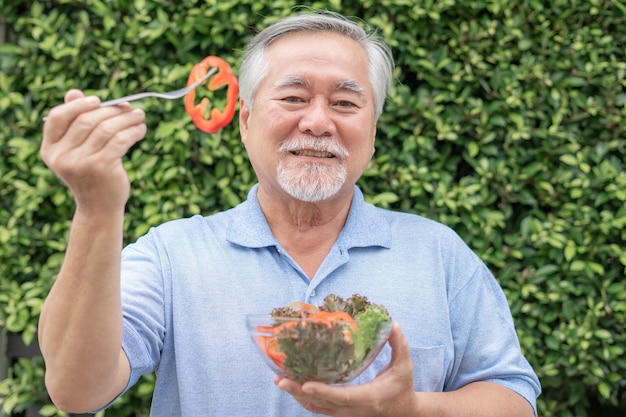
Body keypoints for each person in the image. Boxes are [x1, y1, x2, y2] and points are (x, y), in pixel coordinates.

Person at [38, 10, 541, 417]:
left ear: (372, 130)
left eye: (345, 102)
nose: (318, 121)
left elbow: (514, 400)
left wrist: (410, 408)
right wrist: (97, 208)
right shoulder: (172, 256)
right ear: (247, 121)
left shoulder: (439, 253)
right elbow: (77, 389)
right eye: (294, 97)